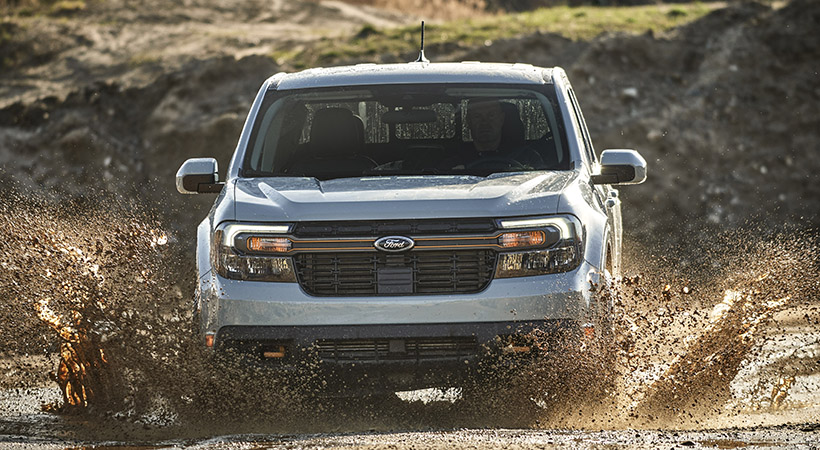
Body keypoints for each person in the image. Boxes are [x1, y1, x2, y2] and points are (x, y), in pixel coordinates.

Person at [455, 99, 544, 170]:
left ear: (502, 119)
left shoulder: (528, 159)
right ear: (469, 121)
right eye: (477, 116)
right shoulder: (454, 160)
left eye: (491, 115)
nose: (484, 122)